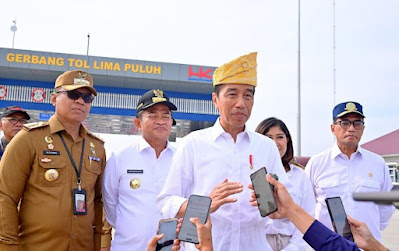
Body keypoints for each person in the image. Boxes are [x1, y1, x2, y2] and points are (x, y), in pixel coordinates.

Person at [157, 52, 291, 251]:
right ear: (215, 99)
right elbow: (167, 202)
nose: (241, 103)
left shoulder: (266, 147)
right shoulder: (193, 143)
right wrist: (204, 205)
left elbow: (285, 206)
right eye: (232, 94)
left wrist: (274, 206)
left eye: (248, 95)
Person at [0, 70, 106, 251]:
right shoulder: (28, 139)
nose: (80, 101)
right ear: (54, 99)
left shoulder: (96, 147)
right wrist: (8, 246)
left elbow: (99, 201)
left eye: (87, 98)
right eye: (73, 95)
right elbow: (5, 196)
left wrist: (102, 244)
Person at [305, 101, 395, 242]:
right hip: (329, 245)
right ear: (333, 128)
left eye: (357, 123)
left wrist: (372, 229)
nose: (351, 128)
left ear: (363, 128)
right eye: (344, 123)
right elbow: (306, 206)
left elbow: (386, 208)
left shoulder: (377, 163)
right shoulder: (317, 163)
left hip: (368, 246)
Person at [103, 89, 178, 250]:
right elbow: (110, 205)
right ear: (138, 123)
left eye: (166, 116)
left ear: (172, 122)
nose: (160, 121)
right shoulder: (120, 158)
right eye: (152, 115)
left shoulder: (181, 159)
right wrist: (133, 230)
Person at [249, 174, 389, 251]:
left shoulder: (299, 175)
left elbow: (337, 248)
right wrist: (372, 244)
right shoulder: (318, 162)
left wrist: (290, 209)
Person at [255, 117, 315, 250]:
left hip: (293, 245)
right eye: (268, 138)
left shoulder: (300, 176)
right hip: (258, 244)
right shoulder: (251, 173)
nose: (275, 143)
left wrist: (293, 247)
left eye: (280, 137)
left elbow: (308, 215)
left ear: (287, 140)